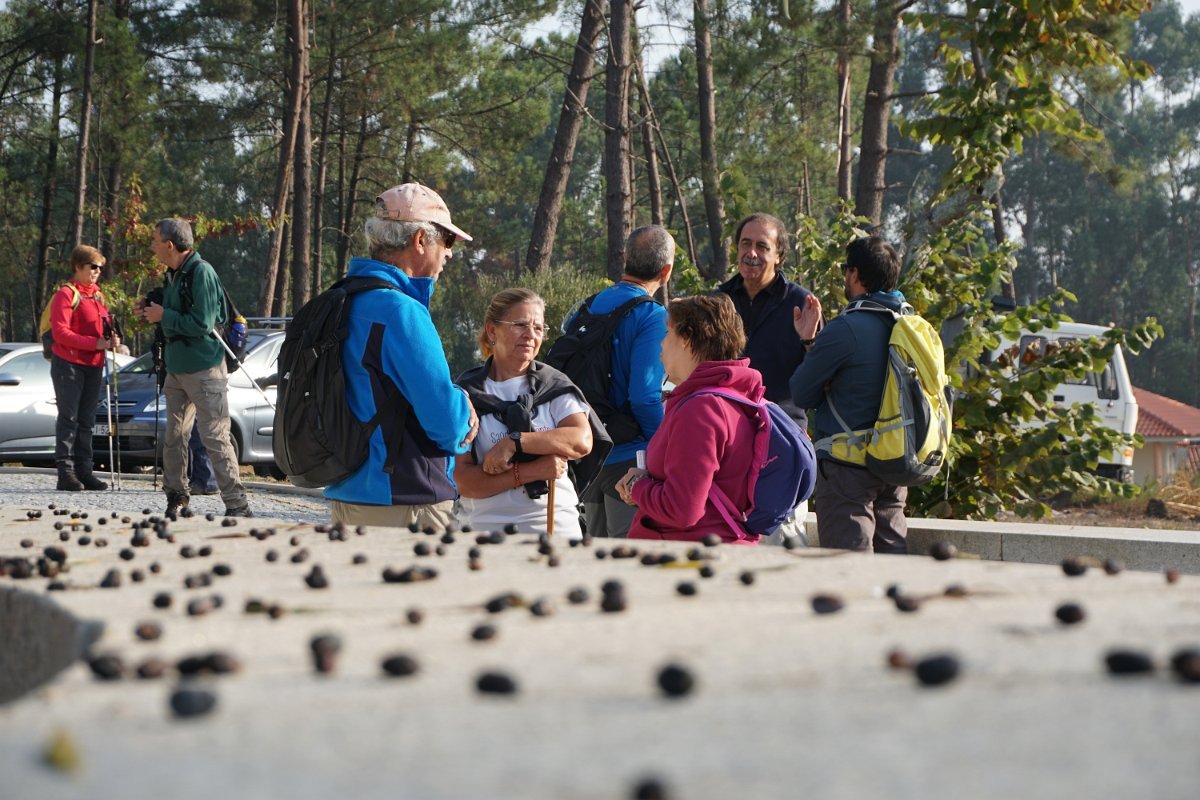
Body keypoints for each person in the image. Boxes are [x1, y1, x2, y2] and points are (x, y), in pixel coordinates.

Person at [322, 183, 478, 530]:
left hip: (347, 493)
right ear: (420, 240)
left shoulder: (342, 299)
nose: (450, 253)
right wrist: (463, 403)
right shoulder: (400, 312)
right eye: (447, 241)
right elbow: (448, 426)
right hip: (404, 502)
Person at [456, 289, 610, 539]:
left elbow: (581, 440)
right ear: (492, 330)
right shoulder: (466, 393)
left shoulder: (554, 385)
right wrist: (532, 471)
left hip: (556, 530)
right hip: (484, 533)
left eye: (538, 328)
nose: (530, 335)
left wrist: (515, 443)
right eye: (520, 325)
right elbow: (464, 481)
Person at [789, 236, 908, 553]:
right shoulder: (908, 324)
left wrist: (812, 349)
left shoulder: (847, 327)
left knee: (848, 563)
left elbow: (801, 392)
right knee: (893, 555)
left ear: (855, 274)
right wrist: (812, 342)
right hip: (896, 461)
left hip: (848, 467)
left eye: (846, 269)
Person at [616, 294, 764, 543]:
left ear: (686, 338)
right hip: (715, 546)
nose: (661, 343)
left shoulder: (701, 409)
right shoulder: (732, 396)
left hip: (688, 553)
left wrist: (637, 486)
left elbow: (682, 509)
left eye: (667, 333)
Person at [136, 218, 250, 518]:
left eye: (155, 241)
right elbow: (174, 311)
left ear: (169, 245)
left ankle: (237, 504)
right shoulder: (174, 275)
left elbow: (202, 323)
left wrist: (164, 316)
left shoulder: (202, 272)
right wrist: (149, 307)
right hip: (176, 368)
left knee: (215, 436)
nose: (152, 246)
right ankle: (176, 496)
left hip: (204, 368)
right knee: (174, 436)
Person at [716, 212, 817, 542]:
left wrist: (809, 341)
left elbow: (820, 379)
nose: (752, 253)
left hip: (782, 439)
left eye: (762, 246)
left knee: (783, 539)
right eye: (745, 244)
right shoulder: (719, 301)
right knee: (730, 538)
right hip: (728, 440)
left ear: (779, 255)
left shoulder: (801, 304)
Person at [577, 225, 671, 539]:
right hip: (630, 460)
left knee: (594, 554)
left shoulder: (587, 307)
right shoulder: (652, 316)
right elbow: (644, 397)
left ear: (626, 259)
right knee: (629, 554)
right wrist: (664, 443)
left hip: (590, 452)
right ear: (666, 271)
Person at [48, 245, 121, 491]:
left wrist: (111, 338)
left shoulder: (98, 295)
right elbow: (60, 333)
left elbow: (103, 327)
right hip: (68, 364)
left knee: (87, 420)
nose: (98, 271)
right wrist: (95, 343)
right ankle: (66, 472)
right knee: (69, 418)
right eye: (93, 266)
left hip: (93, 364)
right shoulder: (65, 294)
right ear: (78, 266)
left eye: (100, 267)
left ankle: (85, 471)